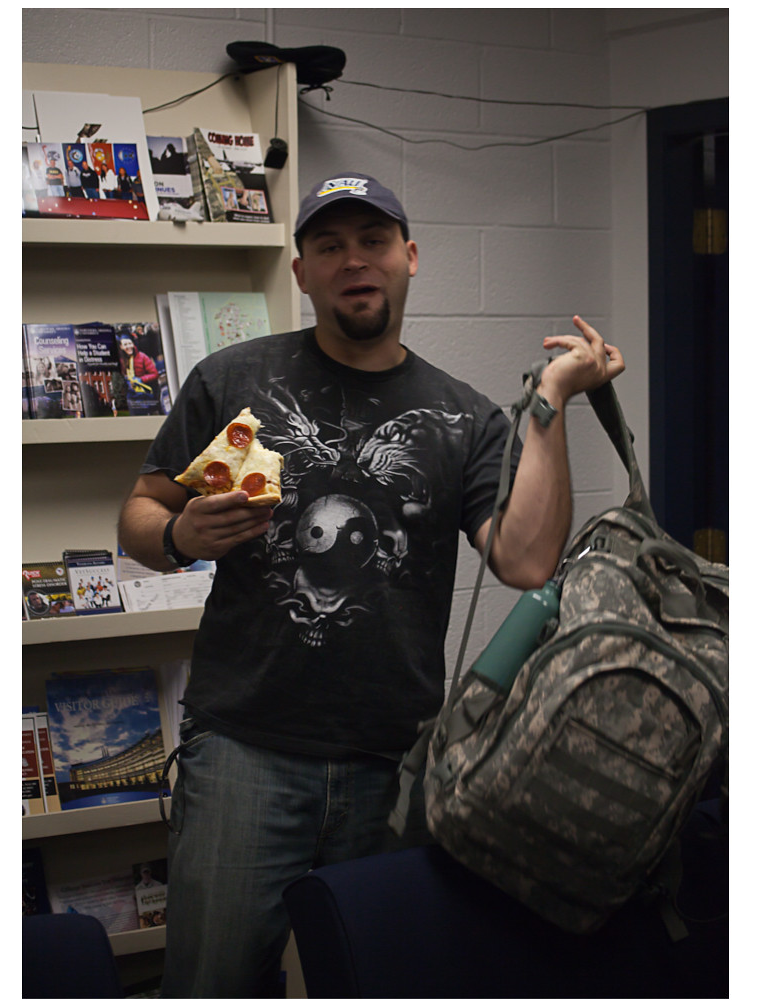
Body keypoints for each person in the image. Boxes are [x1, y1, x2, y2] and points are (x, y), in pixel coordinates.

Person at [117, 172, 624, 997]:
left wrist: (554, 403)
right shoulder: (233, 381)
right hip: (245, 751)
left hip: (396, 766)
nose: (355, 260)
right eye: (330, 246)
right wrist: (177, 534)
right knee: (214, 983)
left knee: (382, 982)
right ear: (303, 272)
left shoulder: (464, 417)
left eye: (373, 241)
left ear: (409, 258)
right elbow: (138, 515)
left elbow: (526, 561)